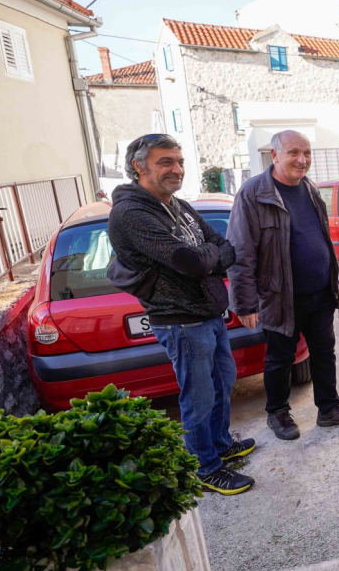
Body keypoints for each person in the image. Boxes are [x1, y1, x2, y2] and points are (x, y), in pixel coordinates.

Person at [107, 134, 255, 495]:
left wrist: (208, 257)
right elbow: (190, 260)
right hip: (180, 321)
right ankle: (204, 466)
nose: (176, 169)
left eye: (180, 161)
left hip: (209, 313)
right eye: (165, 162)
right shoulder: (132, 213)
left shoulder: (179, 205)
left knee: (223, 381)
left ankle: (219, 444)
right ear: (139, 167)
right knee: (199, 395)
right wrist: (208, 257)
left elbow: (224, 247)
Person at [226, 130, 339, 441]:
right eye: (293, 153)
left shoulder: (310, 189)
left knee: (324, 353)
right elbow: (241, 252)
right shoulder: (253, 193)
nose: (302, 160)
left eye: (307, 153)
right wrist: (245, 303)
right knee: (280, 358)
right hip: (280, 297)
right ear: (274, 155)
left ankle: (328, 408)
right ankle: (277, 412)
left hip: (320, 292)